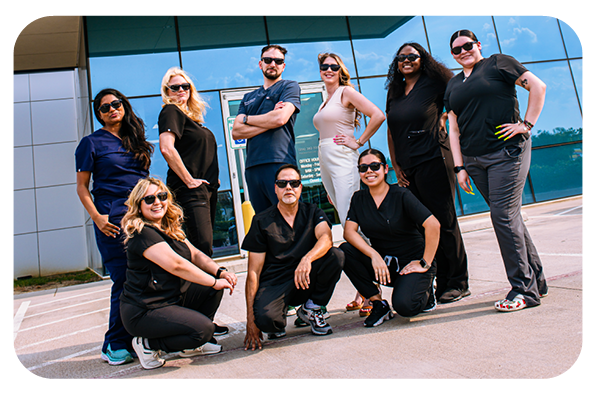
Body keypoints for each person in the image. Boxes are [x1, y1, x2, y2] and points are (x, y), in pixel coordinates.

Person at [444, 29, 548, 312]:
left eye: (467, 45)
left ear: (478, 44)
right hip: (475, 160)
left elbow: (538, 86)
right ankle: (536, 280)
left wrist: (526, 125)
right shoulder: (453, 85)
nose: (463, 51)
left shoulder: (499, 63)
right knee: (509, 218)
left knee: (502, 216)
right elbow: (452, 127)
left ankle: (523, 291)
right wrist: (459, 166)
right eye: (456, 49)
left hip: (507, 153)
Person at [119, 177, 237, 370]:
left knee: (210, 289)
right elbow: (176, 265)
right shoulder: (142, 233)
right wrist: (213, 282)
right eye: (149, 199)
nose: (157, 202)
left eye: (162, 196)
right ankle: (148, 345)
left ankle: (190, 346)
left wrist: (219, 272)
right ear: (139, 206)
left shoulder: (169, 227)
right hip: (145, 310)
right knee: (204, 330)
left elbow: (196, 254)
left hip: (171, 299)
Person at [385, 42, 470, 303]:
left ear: (423, 59)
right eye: (402, 57)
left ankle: (456, 282)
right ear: (396, 63)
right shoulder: (395, 91)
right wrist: (396, 166)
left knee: (444, 223)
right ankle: (436, 281)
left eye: (412, 56)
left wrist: (446, 118)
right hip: (407, 167)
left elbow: (460, 98)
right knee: (424, 228)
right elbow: (391, 130)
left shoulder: (435, 82)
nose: (407, 60)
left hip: (434, 157)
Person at [75, 88, 154, 365]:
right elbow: (82, 188)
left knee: (147, 278)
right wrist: (97, 217)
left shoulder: (136, 139)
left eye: (116, 103)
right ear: (99, 114)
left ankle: (139, 336)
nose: (112, 109)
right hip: (112, 219)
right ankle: (114, 343)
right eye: (104, 107)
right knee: (124, 279)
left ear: (124, 105)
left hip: (142, 218)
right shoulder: (91, 143)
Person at [312, 52, 385, 315]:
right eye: (324, 66)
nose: (328, 70)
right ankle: (363, 288)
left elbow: (377, 114)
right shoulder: (326, 99)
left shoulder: (345, 92)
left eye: (333, 66)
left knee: (351, 225)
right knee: (347, 222)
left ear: (340, 69)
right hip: (327, 161)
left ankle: (371, 292)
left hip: (343, 159)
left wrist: (359, 141)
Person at [242, 164, 344, 350]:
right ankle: (278, 316)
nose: (288, 187)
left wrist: (307, 259)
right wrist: (251, 320)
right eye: (282, 183)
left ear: (300, 187)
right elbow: (253, 273)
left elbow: (326, 238)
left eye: (294, 183)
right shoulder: (262, 221)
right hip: (276, 282)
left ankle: (311, 309)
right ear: (275, 188)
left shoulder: (313, 212)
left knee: (335, 256)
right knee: (267, 322)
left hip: (305, 277)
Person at [340, 149, 440, 327]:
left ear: (385, 169)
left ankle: (427, 291)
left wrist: (425, 263)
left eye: (374, 166)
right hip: (384, 266)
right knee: (344, 251)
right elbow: (349, 232)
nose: (369, 171)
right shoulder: (358, 198)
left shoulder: (401, 195)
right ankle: (378, 303)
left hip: (412, 264)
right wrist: (374, 255)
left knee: (405, 307)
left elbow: (433, 225)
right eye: (363, 168)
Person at [232, 45, 301, 214]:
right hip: (253, 168)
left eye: (278, 61)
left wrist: (247, 119)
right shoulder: (248, 98)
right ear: (260, 64)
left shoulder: (289, 87)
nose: (273, 64)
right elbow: (236, 132)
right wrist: (270, 119)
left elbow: (280, 118)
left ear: (283, 66)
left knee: (289, 217)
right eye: (268, 60)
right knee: (266, 222)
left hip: (280, 163)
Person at [158, 67, 220, 258]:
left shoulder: (192, 120)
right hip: (189, 189)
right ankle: (206, 287)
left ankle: (205, 286)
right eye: (175, 87)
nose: (181, 90)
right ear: (167, 91)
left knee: (201, 247)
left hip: (205, 190)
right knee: (201, 247)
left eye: (185, 86)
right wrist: (190, 180)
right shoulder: (170, 111)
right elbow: (167, 148)